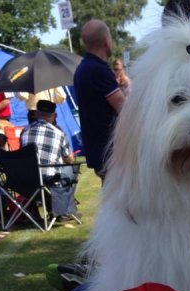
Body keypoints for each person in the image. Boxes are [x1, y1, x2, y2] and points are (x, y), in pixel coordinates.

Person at [74, 19, 125, 179]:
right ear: (106, 41)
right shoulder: (99, 70)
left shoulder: (82, 69)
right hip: (110, 152)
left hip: (97, 150)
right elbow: (123, 107)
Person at [20, 100, 78, 219]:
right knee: (71, 169)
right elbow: (68, 159)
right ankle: (62, 211)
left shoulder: (24, 131)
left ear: (36, 114)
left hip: (25, 180)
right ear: (55, 116)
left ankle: (39, 210)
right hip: (49, 180)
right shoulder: (59, 133)